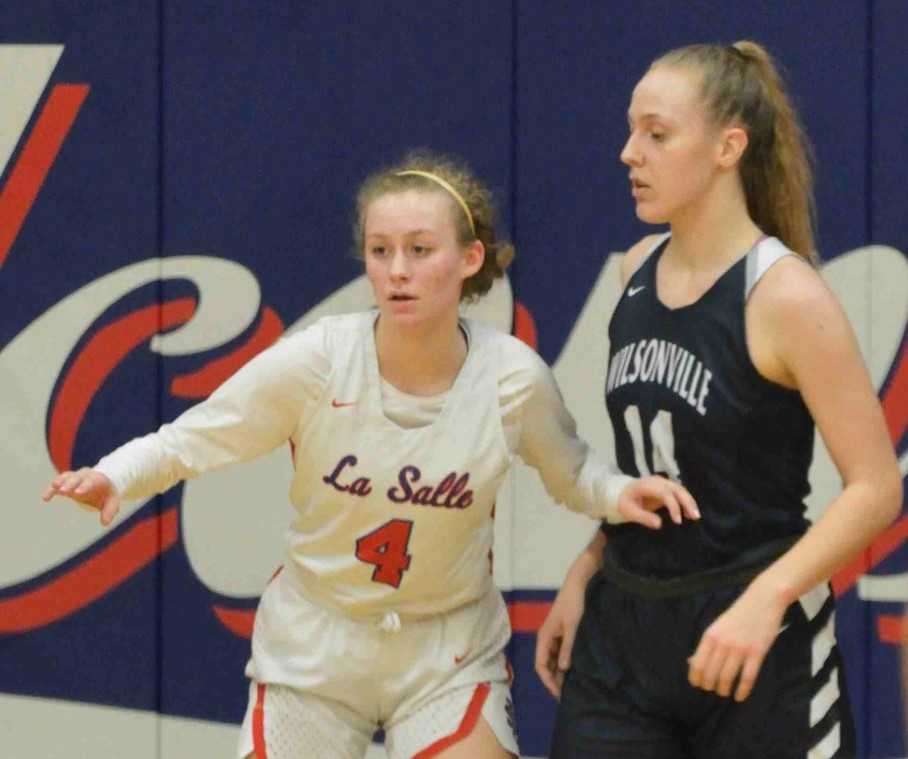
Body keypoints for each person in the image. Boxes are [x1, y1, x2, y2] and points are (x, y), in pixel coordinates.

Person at [42, 149, 696, 759]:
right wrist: (114, 474)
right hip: (315, 645)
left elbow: (574, 472)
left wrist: (618, 494)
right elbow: (193, 437)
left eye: (419, 249)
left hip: (448, 647)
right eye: (381, 251)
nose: (398, 270)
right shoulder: (320, 359)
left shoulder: (512, 378)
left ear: (471, 259)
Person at [535, 41, 903, 759]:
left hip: (751, 631)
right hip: (625, 636)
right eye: (631, 128)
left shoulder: (787, 295)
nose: (628, 152)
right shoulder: (636, 268)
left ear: (728, 146)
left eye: (656, 133)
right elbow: (665, 464)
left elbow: (877, 487)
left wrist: (766, 600)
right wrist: (587, 567)